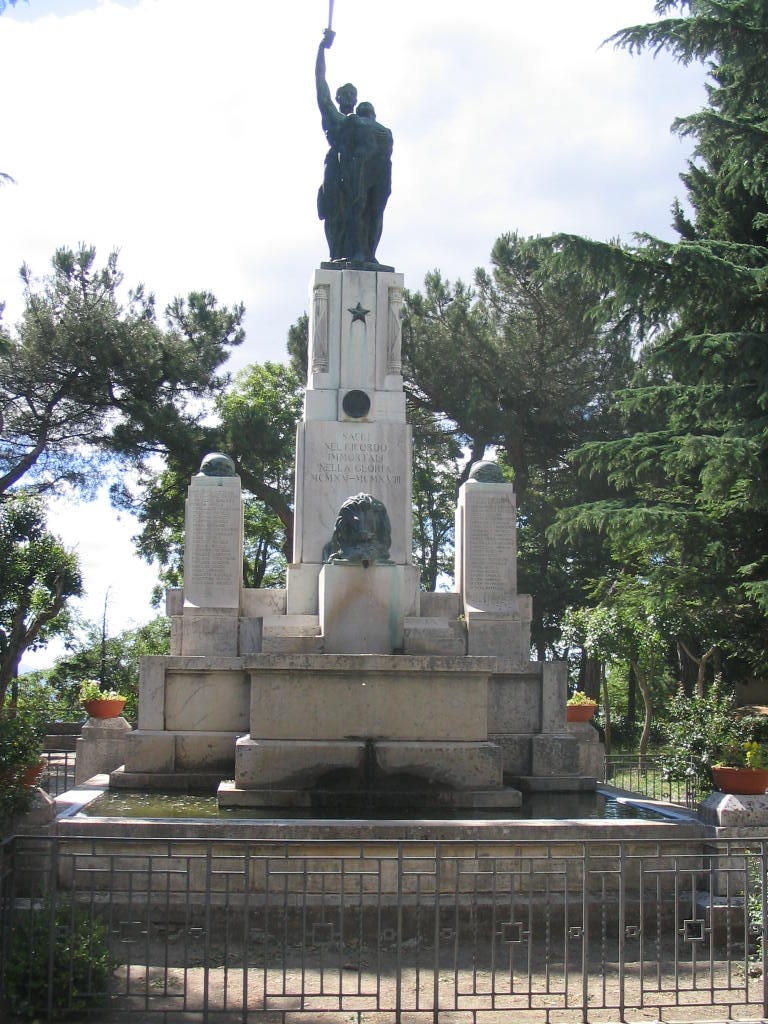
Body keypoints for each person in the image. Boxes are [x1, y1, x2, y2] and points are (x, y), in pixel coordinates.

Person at [315, 29, 392, 263]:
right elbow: (320, 84)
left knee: (370, 212)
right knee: (335, 214)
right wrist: (321, 49)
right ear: (338, 99)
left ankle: (368, 254)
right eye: (344, 94)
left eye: (352, 94)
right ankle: (337, 253)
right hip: (337, 170)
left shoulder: (364, 124)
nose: (348, 97)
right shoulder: (332, 116)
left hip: (364, 170)